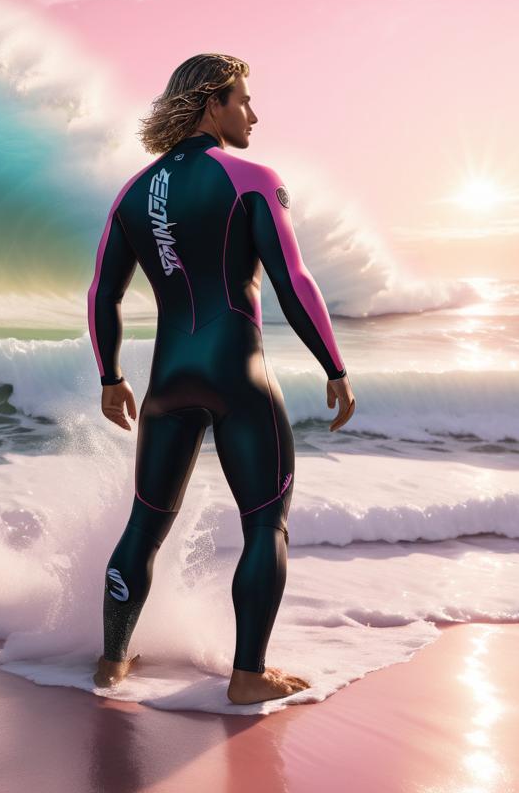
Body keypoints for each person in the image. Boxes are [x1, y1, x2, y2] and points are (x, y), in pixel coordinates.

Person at [86, 53, 356, 704]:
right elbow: (293, 280)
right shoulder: (252, 178)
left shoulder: (132, 192)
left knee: (143, 529)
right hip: (238, 377)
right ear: (212, 102)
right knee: (266, 525)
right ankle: (247, 676)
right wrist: (335, 366)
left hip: (167, 382)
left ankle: (113, 661)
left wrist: (111, 377)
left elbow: (103, 294)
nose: (253, 113)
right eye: (244, 100)